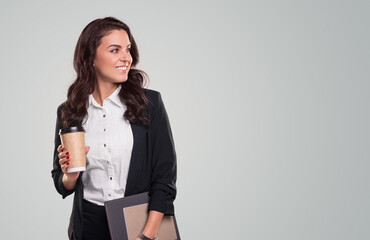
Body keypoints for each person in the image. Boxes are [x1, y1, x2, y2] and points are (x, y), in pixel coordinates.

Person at [51, 16, 177, 240]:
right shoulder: (69, 112)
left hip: (136, 223)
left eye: (127, 49)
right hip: (86, 225)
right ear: (91, 58)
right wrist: (69, 177)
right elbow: (61, 183)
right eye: (114, 50)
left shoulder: (150, 104)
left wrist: (147, 235)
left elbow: (164, 178)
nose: (125, 58)